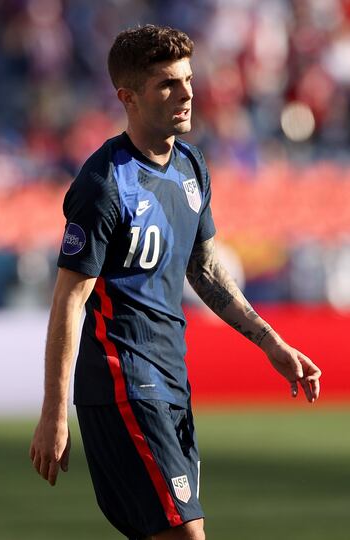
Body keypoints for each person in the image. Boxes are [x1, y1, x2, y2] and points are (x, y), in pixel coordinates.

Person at [29, 24, 321, 540]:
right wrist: (54, 412)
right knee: (185, 534)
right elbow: (68, 302)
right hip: (123, 381)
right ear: (129, 97)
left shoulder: (190, 166)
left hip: (171, 380)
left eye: (188, 79)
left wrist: (271, 344)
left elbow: (205, 271)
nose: (187, 93)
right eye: (167, 84)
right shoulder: (103, 185)